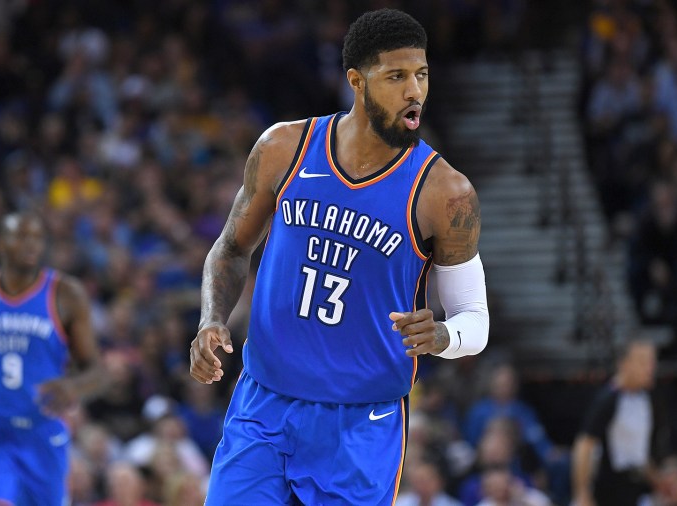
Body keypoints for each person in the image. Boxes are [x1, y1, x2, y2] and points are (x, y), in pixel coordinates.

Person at [189, 8, 489, 505]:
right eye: (396, 76)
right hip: (262, 404)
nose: (414, 91)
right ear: (356, 80)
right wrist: (211, 319)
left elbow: (473, 319)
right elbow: (231, 247)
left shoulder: (446, 193)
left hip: (359, 425)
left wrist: (443, 336)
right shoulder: (285, 147)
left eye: (422, 74)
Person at [0, 211, 106, 505]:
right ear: (0, 244)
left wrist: (73, 387)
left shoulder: (66, 295)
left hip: (43, 432)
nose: (31, 245)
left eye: (38, 237)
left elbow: (97, 371)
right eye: (21, 236)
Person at [572, 338, 667, 506]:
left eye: (652, 361)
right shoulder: (608, 399)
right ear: (624, 364)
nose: (650, 368)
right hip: (609, 489)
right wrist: (582, 494)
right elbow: (584, 445)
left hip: (638, 488)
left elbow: (638, 453)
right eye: (643, 362)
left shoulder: (647, 399)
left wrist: (658, 480)